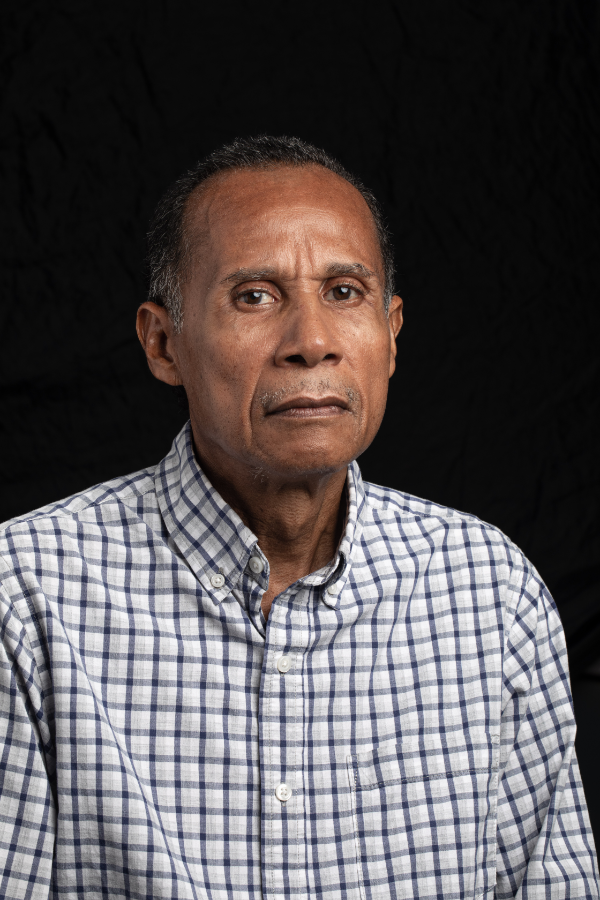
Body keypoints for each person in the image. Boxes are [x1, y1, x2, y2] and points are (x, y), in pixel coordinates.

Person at [0, 135, 597, 900]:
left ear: (390, 334)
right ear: (161, 343)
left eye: (345, 292)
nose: (311, 342)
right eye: (255, 296)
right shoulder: (28, 597)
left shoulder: (493, 594)